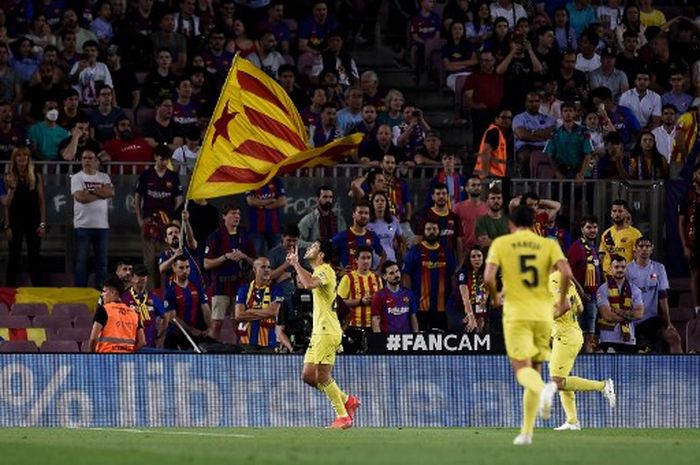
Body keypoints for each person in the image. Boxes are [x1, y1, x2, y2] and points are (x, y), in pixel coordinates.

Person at [484, 205, 574, 445]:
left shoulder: (501, 244)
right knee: (534, 367)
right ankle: (526, 433)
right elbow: (566, 272)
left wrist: (494, 297)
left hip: (517, 313)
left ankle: (545, 388)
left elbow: (488, 278)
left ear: (511, 224)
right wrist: (563, 298)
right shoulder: (549, 244)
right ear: (533, 223)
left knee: (522, 370)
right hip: (544, 314)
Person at [286, 240, 360, 429]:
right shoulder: (321, 271)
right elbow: (308, 281)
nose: (309, 248)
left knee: (322, 376)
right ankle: (347, 399)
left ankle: (342, 416)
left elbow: (309, 284)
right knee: (308, 376)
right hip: (321, 331)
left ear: (321, 255)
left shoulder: (325, 269)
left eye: (313, 246)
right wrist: (298, 266)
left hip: (326, 331)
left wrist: (296, 264)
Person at [547, 270, 616, 431]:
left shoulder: (553, 280)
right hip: (569, 334)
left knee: (558, 381)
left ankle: (603, 386)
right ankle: (572, 421)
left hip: (566, 337)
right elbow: (580, 308)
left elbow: (565, 306)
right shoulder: (566, 280)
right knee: (562, 380)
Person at [204, 205, 255, 342]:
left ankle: (238, 350)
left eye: (238, 213)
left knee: (238, 321)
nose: (237, 216)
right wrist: (225, 257)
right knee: (216, 322)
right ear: (224, 216)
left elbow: (255, 261)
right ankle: (212, 351)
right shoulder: (215, 236)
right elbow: (206, 264)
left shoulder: (244, 235)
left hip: (239, 285)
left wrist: (244, 256)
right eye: (233, 213)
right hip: (220, 285)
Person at [134, 145, 183, 280]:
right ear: (155, 157)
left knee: (166, 258)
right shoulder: (146, 175)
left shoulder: (173, 176)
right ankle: (148, 292)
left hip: (167, 223)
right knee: (148, 260)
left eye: (166, 160)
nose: (163, 163)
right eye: (161, 159)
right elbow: (137, 198)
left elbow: (178, 199)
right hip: (149, 221)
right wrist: (139, 219)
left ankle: (165, 291)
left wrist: (175, 219)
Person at [626, 237, 682, 353]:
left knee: (674, 337)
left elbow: (662, 296)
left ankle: (680, 370)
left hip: (652, 319)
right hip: (633, 320)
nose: (644, 249)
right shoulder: (628, 269)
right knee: (643, 350)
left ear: (652, 249)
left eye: (647, 246)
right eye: (641, 246)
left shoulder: (659, 268)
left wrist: (668, 322)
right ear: (635, 249)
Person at [402, 220, 456, 332]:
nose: (432, 232)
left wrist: (453, 296)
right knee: (420, 340)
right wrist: (409, 295)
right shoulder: (414, 251)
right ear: (424, 232)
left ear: (439, 232)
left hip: (442, 306)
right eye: (428, 229)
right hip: (419, 306)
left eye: (434, 229)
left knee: (440, 341)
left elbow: (453, 276)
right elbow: (406, 275)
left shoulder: (446, 251)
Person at [71, 149, 114, 288]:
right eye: (85, 158)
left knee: (102, 262)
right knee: (81, 262)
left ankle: (101, 292)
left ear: (96, 160)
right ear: (81, 160)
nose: (87, 160)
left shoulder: (104, 177)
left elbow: (111, 192)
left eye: (91, 158)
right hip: (82, 225)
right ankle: (80, 292)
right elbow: (80, 198)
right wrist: (101, 193)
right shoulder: (77, 177)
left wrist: (89, 191)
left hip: (102, 226)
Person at [4, 146, 46, 286]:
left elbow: (41, 201)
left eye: (25, 155)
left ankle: (38, 290)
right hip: (15, 220)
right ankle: (9, 290)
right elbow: (6, 204)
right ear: (14, 159)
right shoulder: (8, 176)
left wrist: (42, 223)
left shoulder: (35, 174)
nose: (22, 158)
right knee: (13, 256)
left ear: (28, 158)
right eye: (19, 155)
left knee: (34, 256)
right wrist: (7, 226)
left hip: (33, 220)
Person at [567, 215, 604, 353]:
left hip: (592, 299)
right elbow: (567, 271)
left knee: (590, 334)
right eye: (588, 227)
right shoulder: (576, 248)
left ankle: (588, 368)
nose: (592, 230)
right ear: (582, 229)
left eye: (595, 227)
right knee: (578, 335)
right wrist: (580, 290)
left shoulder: (593, 248)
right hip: (578, 299)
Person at [235, 257, 285, 352]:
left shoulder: (276, 289)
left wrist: (249, 311)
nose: (267, 270)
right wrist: (264, 313)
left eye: (269, 267)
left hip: (269, 341)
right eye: (263, 267)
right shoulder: (244, 289)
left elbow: (273, 312)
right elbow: (238, 315)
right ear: (254, 270)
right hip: (246, 340)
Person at [596, 254, 644, 353]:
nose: (620, 270)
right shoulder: (602, 289)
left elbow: (639, 314)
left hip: (628, 339)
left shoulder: (635, 290)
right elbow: (607, 316)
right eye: (616, 267)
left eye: (623, 267)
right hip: (608, 339)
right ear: (610, 269)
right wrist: (629, 315)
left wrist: (617, 311)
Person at [163, 255, 212, 350]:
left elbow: (205, 309)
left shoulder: (197, 287)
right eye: (181, 268)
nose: (185, 270)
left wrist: (210, 328)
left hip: (193, 335)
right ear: (174, 268)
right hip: (175, 336)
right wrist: (191, 330)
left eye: (187, 267)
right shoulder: (170, 291)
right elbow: (172, 318)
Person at [89, 275, 145, 353]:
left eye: (104, 291)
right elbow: (142, 342)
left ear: (113, 293)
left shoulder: (103, 310)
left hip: (106, 358)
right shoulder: (134, 313)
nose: (102, 295)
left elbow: (93, 339)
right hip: (126, 360)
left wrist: (93, 355)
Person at [413, 183, 464, 266]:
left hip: (450, 262)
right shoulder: (425, 216)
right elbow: (418, 240)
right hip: (429, 261)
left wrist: (460, 264)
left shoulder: (455, 217)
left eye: (444, 194)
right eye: (438, 194)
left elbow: (459, 242)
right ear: (433, 197)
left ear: (448, 196)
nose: (441, 196)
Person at [338, 246, 382, 334]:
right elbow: (340, 302)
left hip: (373, 326)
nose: (366, 261)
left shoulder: (377, 278)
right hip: (353, 325)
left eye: (369, 258)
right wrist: (360, 301)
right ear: (356, 260)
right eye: (363, 258)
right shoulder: (348, 278)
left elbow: (381, 301)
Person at [544, 101, 594, 180]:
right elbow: (549, 155)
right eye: (565, 111)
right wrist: (557, 172)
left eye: (570, 111)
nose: (568, 113)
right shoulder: (554, 133)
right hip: (562, 174)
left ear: (575, 113)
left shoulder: (584, 132)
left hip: (581, 173)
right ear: (561, 113)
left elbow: (588, 154)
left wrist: (581, 174)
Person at [121, 264, 166, 349]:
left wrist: (160, 336)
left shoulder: (154, 297)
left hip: (151, 344)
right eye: (139, 275)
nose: (142, 278)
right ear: (132, 278)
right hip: (131, 344)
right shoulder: (124, 298)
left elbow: (165, 317)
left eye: (144, 275)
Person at [512, 92, 556, 178]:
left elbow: (552, 133)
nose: (534, 104)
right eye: (531, 101)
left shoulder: (548, 118)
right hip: (527, 146)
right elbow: (522, 135)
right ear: (526, 103)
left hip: (546, 146)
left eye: (536, 101)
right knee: (524, 156)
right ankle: (526, 182)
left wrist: (532, 132)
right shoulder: (519, 118)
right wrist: (543, 136)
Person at [331, 200, 385, 271]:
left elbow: (384, 255)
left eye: (366, 213)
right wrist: (339, 271)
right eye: (360, 212)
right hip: (349, 279)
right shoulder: (342, 236)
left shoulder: (372, 236)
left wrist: (377, 272)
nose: (363, 216)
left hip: (367, 280)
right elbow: (326, 255)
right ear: (353, 214)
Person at [371, 260, 418, 334]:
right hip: (388, 341)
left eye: (397, 271)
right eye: (391, 273)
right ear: (384, 277)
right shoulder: (378, 296)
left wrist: (416, 337)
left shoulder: (409, 293)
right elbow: (376, 320)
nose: (396, 275)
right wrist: (379, 342)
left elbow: (413, 317)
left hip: (406, 340)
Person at [245, 176, 287, 256]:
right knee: (256, 256)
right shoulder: (251, 181)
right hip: (256, 228)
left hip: (274, 228)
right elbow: (251, 201)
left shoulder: (276, 181)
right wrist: (270, 200)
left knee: (277, 255)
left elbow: (282, 201)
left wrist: (263, 205)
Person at [678, 164, 700, 315]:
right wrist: (685, 245)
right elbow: (681, 222)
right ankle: (698, 308)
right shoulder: (688, 195)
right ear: (695, 175)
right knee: (696, 274)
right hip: (693, 242)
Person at [599, 199, 643, 274]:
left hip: (626, 276)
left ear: (626, 213)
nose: (617, 214)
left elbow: (638, 258)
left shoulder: (635, 234)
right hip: (608, 278)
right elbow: (602, 255)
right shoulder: (606, 233)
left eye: (620, 211)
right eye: (614, 211)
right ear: (611, 213)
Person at [158, 216, 200, 289]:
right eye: (170, 234)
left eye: (176, 232)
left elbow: (191, 240)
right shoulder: (165, 254)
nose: (174, 235)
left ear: (181, 236)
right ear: (166, 239)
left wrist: (186, 221)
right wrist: (174, 256)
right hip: (173, 292)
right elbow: (161, 269)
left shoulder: (189, 248)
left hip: (193, 289)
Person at [455, 246, 488, 333]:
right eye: (473, 257)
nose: (477, 259)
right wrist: (471, 316)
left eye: (479, 256)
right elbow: (465, 299)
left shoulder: (486, 272)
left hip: (475, 306)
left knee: (480, 327)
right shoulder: (463, 272)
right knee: (468, 327)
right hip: (458, 308)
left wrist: (480, 316)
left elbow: (484, 298)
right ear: (469, 259)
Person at [367, 191, 404, 262]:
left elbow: (403, 241)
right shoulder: (367, 222)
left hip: (391, 260)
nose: (380, 203)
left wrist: (404, 259)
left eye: (382, 200)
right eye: (377, 201)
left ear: (386, 203)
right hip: (373, 262)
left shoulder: (394, 220)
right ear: (372, 204)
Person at [453, 176, 488, 248]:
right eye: (473, 185)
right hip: (464, 249)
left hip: (483, 250)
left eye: (479, 185)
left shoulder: (487, 207)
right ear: (466, 188)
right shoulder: (458, 208)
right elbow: (453, 231)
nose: (476, 187)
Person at [475, 185, 509, 249]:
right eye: (493, 198)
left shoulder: (508, 220)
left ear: (502, 201)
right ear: (487, 202)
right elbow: (484, 243)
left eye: (499, 198)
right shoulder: (481, 221)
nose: (496, 201)